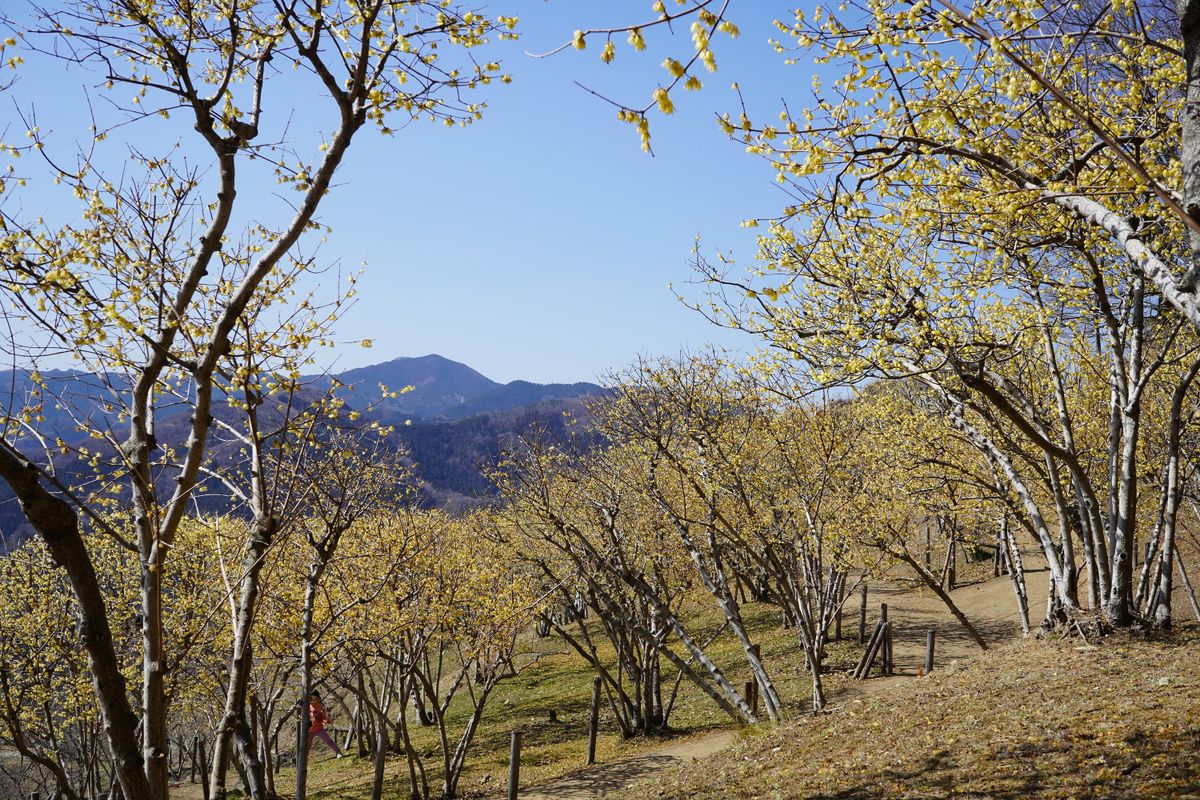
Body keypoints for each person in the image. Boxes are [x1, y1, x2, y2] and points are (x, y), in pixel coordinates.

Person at [307, 690, 344, 758]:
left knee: (329, 741)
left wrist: (325, 721)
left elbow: (323, 717)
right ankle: (303, 759)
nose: (313, 700)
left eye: (315, 698)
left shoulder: (320, 706)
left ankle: (338, 752)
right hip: (309, 730)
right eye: (311, 698)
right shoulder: (307, 707)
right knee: (307, 746)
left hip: (319, 729)